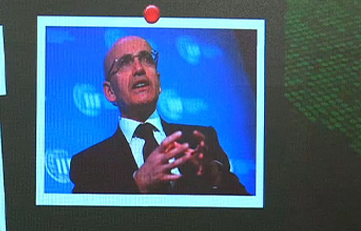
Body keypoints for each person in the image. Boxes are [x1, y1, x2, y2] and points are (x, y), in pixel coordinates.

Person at [69, 35, 248, 195]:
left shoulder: (202, 140)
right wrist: (138, 184)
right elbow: (89, 219)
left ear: (159, 82)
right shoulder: (88, 164)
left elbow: (247, 210)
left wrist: (214, 177)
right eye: (124, 62)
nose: (139, 68)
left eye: (146, 59)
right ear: (110, 92)